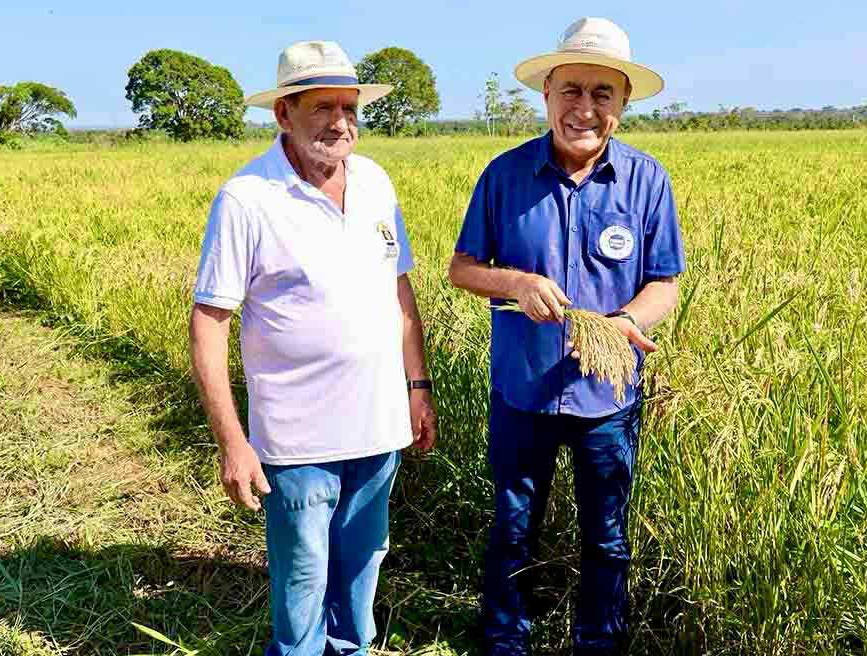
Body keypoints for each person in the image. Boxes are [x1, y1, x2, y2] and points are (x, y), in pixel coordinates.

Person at [188, 40, 437, 656]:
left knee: (362, 562)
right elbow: (209, 322)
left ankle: (351, 648)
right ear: (283, 115)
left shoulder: (376, 182)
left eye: (349, 107)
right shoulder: (248, 198)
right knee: (303, 575)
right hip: (298, 439)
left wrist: (418, 387)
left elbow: (399, 291)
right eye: (322, 107)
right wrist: (233, 441)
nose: (340, 122)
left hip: (379, 427)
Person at [448, 17, 686, 655]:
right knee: (512, 525)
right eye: (571, 91)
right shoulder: (504, 176)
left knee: (607, 535)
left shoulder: (647, 182)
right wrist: (516, 282)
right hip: (522, 392)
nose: (584, 108)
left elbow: (664, 281)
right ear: (547, 94)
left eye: (601, 94)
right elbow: (462, 269)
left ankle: (599, 642)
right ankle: (505, 640)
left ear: (623, 104)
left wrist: (626, 323)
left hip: (607, 398)